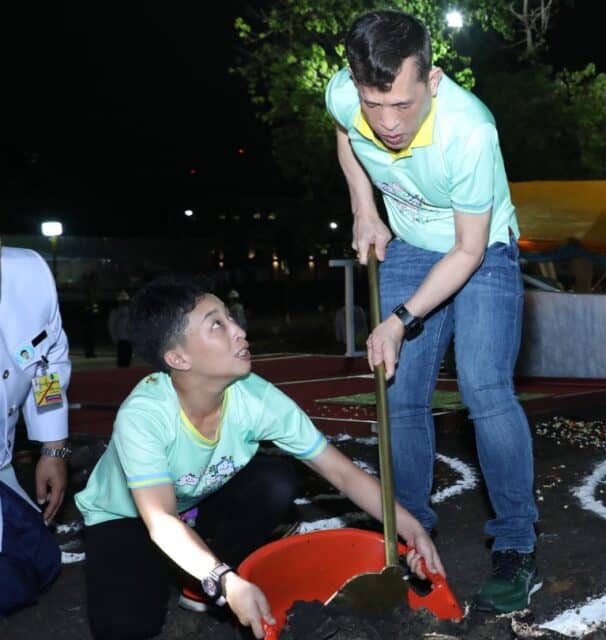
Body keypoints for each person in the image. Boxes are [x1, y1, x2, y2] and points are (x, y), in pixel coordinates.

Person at [74, 277, 441, 640]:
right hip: (130, 518)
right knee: (127, 628)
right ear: (177, 357)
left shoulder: (256, 398)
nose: (239, 330)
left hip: (198, 504)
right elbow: (162, 521)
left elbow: (341, 473)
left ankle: (198, 577)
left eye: (231, 318)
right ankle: (195, 569)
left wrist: (411, 528)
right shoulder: (145, 414)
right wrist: (225, 581)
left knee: (274, 482)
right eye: (217, 324)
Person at [325, 10, 538, 612]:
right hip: (413, 245)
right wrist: (363, 205)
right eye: (375, 105)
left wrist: (400, 319)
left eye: (402, 105)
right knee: (398, 389)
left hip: (481, 246)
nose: (387, 124)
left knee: (485, 386)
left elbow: (468, 251)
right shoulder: (346, 95)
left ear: (434, 79)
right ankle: (407, 535)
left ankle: (517, 547)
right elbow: (344, 132)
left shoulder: (470, 131)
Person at [0, 239, 70, 617]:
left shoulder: (29, 273)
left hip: (2, 458)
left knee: (42, 562)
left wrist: (53, 447)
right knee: (12, 585)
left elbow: (48, 365)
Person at [108, 290, 132, 367]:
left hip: (128, 338)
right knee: (122, 359)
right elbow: (112, 324)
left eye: (125, 301)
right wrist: (114, 337)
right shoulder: (116, 311)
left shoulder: (130, 311)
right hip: (121, 339)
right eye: (123, 301)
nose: (124, 303)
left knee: (127, 358)